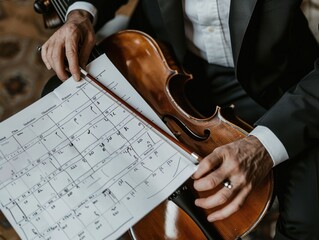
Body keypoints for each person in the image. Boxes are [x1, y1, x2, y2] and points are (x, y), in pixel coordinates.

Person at [40, 0, 319, 239]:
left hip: (282, 83)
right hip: (165, 62)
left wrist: (263, 147)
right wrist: (80, 13)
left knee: (308, 220)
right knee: (63, 103)